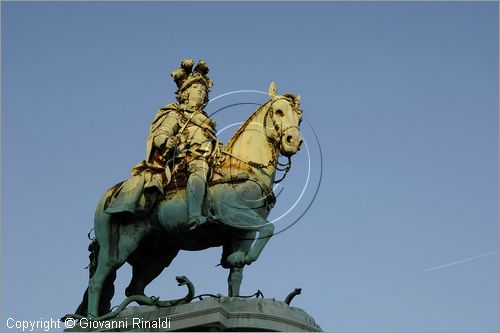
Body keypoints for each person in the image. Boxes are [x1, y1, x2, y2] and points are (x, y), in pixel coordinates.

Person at [105, 59, 217, 231]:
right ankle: (194, 216)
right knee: (199, 167)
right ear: (185, 93)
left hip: (209, 157)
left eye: (203, 90)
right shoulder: (176, 113)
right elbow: (160, 134)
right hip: (182, 159)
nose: (200, 92)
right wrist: (167, 141)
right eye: (196, 88)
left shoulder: (207, 123)